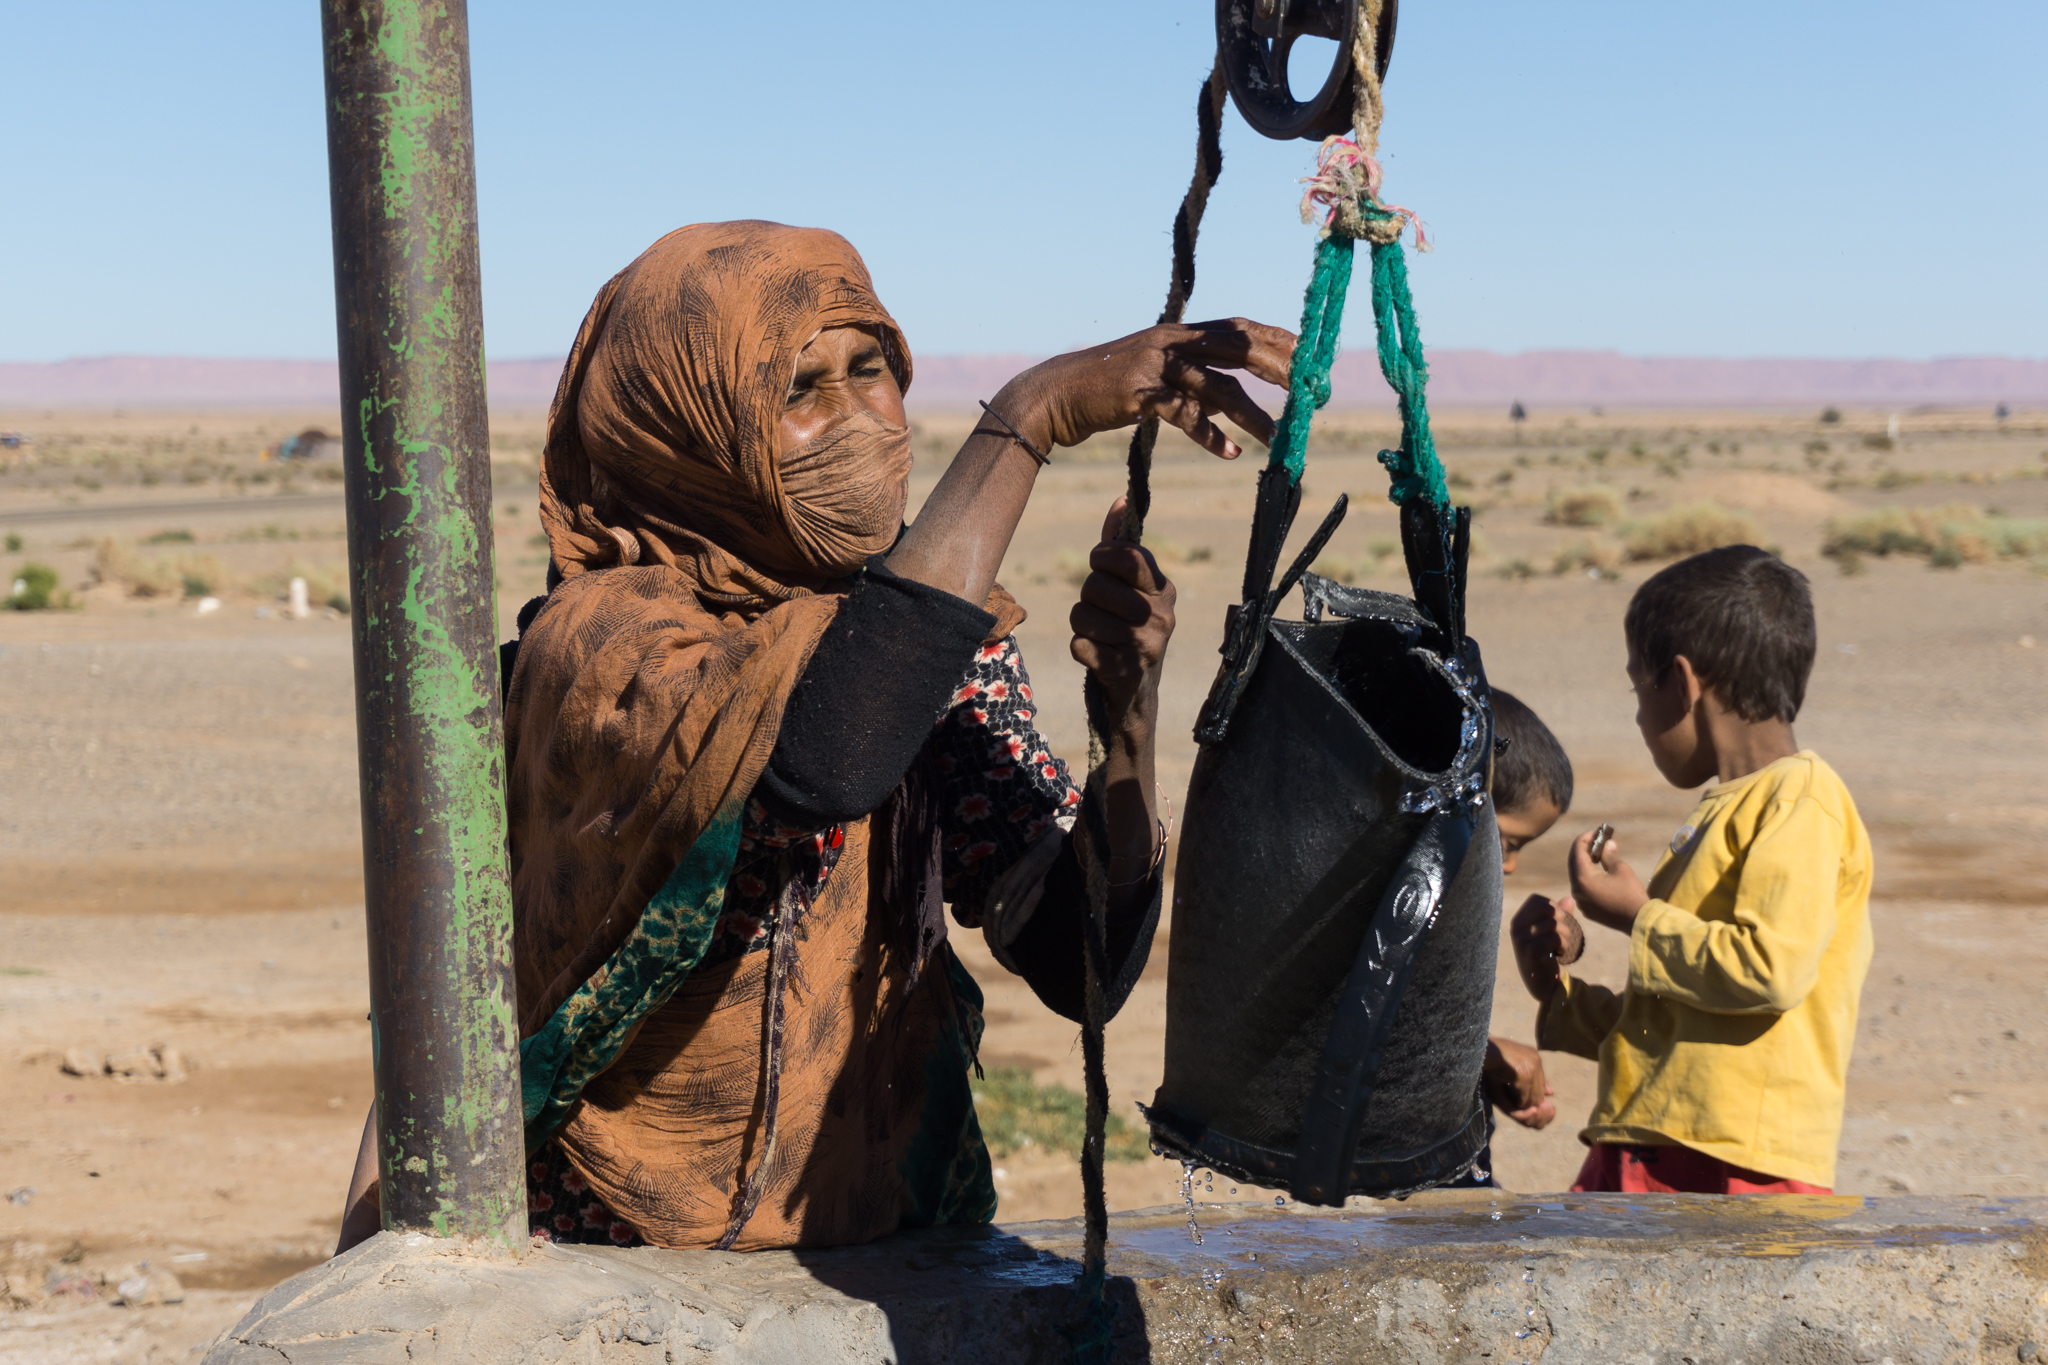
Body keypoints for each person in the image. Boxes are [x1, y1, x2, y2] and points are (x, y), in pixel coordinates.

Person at [334, 221, 1294, 1253]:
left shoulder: (924, 647)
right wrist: (1026, 419)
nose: (857, 420)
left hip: (868, 1248)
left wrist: (1127, 717)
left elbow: (1081, 964)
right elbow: (823, 762)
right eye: (798, 391)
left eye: (868, 369)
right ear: (680, 434)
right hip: (600, 1254)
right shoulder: (607, 649)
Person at [1509, 546, 1873, 1195]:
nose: (1639, 716)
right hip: (1650, 1141)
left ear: (1680, 684)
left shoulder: (1802, 799)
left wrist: (1638, 916)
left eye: (1637, 688)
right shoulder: (1717, 817)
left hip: (1733, 1163)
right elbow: (1674, 1026)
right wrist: (1557, 991)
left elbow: (1768, 969)